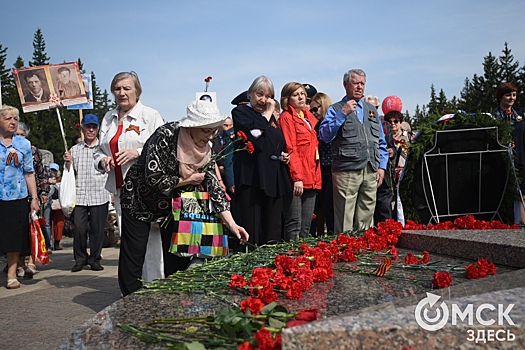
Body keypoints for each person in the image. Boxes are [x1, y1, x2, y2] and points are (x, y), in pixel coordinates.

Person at [118, 100, 249, 296]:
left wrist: (232, 224)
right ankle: (129, 300)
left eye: (214, 131)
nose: (210, 136)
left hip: (171, 206)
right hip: (139, 199)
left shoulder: (207, 148)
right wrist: (185, 179)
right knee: (135, 253)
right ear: (192, 127)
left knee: (177, 253)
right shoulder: (165, 135)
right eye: (206, 131)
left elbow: (214, 187)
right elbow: (152, 178)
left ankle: (174, 296)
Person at [94, 71, 165, 282]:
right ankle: (136, 286)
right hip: (120, 189)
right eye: (117, 89)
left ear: (137, 91)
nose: (122, 93)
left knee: (151, 240)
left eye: (127, 88)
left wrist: (138, 152)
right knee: (128, 239)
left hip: (146, 190)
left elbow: (163, 148)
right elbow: (98, 150)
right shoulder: (109, 117)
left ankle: (155, 283)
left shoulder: (150, 116)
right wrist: (103, 160)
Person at [319, 69, 389, 233]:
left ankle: (364, 253)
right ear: (345, 84)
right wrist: (342, 114)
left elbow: (380, 141)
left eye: (362, 83)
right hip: (346, 171)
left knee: (366, 218)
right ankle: (345, 252)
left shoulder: (372, 110)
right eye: (355, 83)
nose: (359, 87)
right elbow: (324, 136)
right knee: (345, 219)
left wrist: (382, 167)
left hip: (370, 169)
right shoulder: (335, 109)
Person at [231, 76, 292, 247]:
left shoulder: (271, 119)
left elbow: (272, 142)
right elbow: (255, 135)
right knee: (252, 224)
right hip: (251, 175)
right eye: (260, 94)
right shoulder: (241, 112)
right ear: (250, 94)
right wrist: (267, 113)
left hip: (272, 175)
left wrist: (281, 155)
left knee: (273, 226)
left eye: (268, 96)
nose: (263, 100)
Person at [64, 113, 111, 272]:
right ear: (82, 128)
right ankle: (80, 259)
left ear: (98, 129)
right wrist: (67, 162)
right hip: (80, 196)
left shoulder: (104, 148)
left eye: (94, 127)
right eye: (88, 126)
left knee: (97, 230)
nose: (91, 130)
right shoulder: (74, 150)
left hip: (100, 194)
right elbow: (70, 173)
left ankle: (95, 259)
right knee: (79, 229)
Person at [0, 105, 40, 289]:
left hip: (17, 196)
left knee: (14, 237)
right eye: (8, 118)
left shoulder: (23, 144)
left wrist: (34, 198)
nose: (13, 122)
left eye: (15, 119)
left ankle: (11, 274)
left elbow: (29, 173)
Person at [278, 82, 321, 240]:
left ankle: (304, 259)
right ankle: (291, 258)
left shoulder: (309, 118)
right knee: (294, 222)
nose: (301, 97)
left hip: (312, 176)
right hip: (297, 178)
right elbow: (291, 149)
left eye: (302, 93)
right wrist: (297, 178)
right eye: (295, 95)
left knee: (306, 224)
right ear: (287, 99)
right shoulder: (286, 118)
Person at [15, 121, 50, 277]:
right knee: (18, 231)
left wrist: (43, 192)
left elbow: (40, 173)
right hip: (14, 194)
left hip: (31, 194)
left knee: (34, 229)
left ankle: (31, 262)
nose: (19, 137)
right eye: (17, 135)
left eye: (22, 135)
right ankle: (19, 263)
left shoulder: (33, 150)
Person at [494, 83, 523, 223]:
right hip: (501, 159)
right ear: (500, 97)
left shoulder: (520, 117)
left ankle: (517, 221)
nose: (511, 98)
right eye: (508, 95)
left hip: (519, 158)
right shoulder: (494, 117)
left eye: (514, 95)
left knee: (518, 191)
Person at [309, 92, 334, 235]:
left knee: (330, 208)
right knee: (320, 208)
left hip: (332, 169)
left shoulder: (332, 125)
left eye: (315, 109)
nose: (313, 113)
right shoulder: (315, 126)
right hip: (320, 170)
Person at [48, 163, 65, 251]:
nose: (53, 172)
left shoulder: (62, 180)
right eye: (51, 170)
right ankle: (49, 242)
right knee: (48, 223)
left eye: (54, 170)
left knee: (59, 224)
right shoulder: (46, 179)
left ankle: (57, 242)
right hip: (49, 203)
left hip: (59, 203)